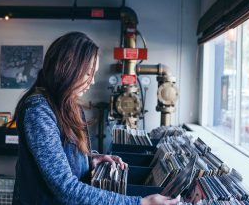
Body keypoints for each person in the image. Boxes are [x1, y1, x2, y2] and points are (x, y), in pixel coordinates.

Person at [12, 31, 180, 205]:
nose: (92, 82)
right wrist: (140, 203)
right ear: (66, 68)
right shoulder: (38, 110)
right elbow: (64, 187)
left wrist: (90, 158)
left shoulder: (68, 104)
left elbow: (63, 156)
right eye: (87, 73)